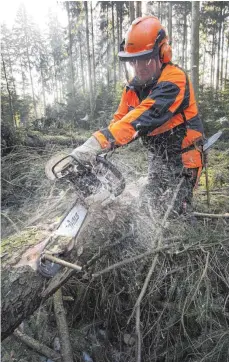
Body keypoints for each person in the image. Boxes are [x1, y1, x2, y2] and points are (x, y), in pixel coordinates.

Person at [69, 16, 204, 217]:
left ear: (162, 54)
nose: (140, 67)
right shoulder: (133, 88)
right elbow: (120, 121)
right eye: (134, 61)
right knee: (146, 207)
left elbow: (144, 116)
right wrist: (98, 151)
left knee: (173, 214)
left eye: (146, 60)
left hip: (184, 159)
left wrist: (98, 141)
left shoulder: (174, 80)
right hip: (158, 158)